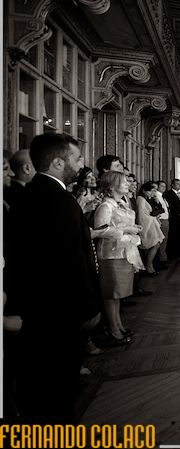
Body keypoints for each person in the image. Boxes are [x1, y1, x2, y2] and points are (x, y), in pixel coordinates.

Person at [8, 133, 102, 422]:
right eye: (76, 158)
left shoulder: (34, 194)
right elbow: (69, 260)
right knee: (56, 385)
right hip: (59, 311)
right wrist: (88, 306)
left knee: (45, 383)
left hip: (42, 307)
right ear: (59, 162)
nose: (81, 164)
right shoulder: (57, 199)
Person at [93, 171, 144, 345]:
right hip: (110, 254)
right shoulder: (106, 206)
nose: (127, 184)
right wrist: (127, 230)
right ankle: (113, 329)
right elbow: (100, 230)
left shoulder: (121, 202)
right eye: (123, 182)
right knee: (111, 293)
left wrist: (132, 227)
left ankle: (119, 325)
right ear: (113, 185)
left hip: (124, 251)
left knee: (118, 293)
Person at [136, 181, 164, 275]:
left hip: (152, 223)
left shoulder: (148, 199)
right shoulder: (140, 199)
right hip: (147, 225)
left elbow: (160, 209)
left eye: (154, 191)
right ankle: (148, 266)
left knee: (156, 244)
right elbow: (141, 215)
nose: (152, 193)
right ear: (144, 191)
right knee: (154, 245)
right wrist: (153, 217)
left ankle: (149, 265)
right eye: (151, 191)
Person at [163, 178, 180, 259]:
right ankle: (172, 254)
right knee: (173, 237)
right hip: (173, 219)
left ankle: (179, 253)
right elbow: (169, 207)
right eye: (177, 184)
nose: (179, 185)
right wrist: (178, 213)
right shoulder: (168, 194)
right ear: (172, 185)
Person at [154, 180, 171, 268]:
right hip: (161, 220)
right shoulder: (156, 196)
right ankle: (161, 260)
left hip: (165, 220)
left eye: (165, 186)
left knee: (164, 240)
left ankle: (163, 258)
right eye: (162, 186)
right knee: (161, 241)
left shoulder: (162, 196)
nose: (164, 188)